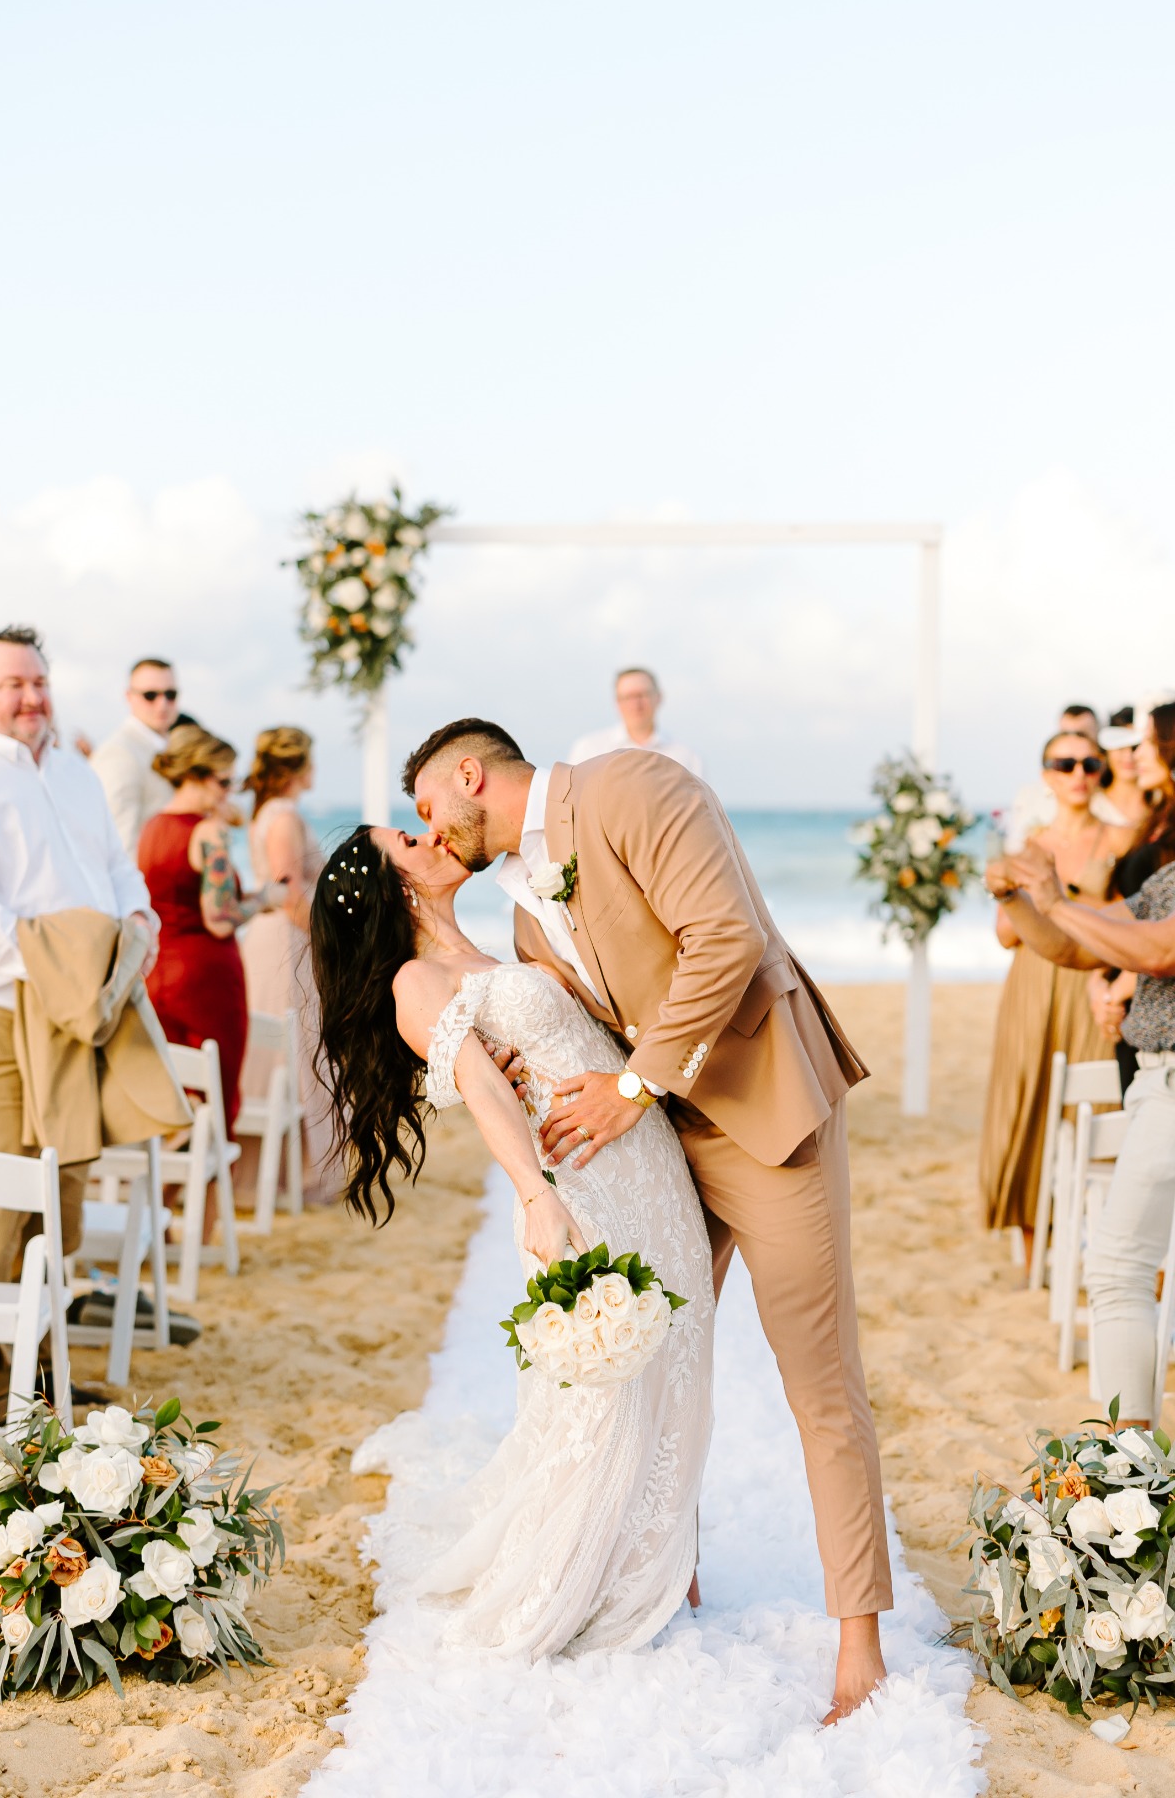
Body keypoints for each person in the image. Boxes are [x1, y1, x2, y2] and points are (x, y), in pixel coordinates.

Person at [393, 719, 890, 1721]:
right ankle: (672, 1567)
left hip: (767, 1114)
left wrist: (628, 1086)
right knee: (656, 1356)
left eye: (427, 811)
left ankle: (861, 1642)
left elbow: (727, 940)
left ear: (469, 774)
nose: (431, 832)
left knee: (819, 1382)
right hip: (661, 1152)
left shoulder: (634, 788)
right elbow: (594, 1013)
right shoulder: (526, 910)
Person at [311, 819, 715, 1663]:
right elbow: (486, 1093)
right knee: (607, 1377)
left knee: (679, 1352)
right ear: (398, 889)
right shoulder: (415, 982)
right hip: (580, 1175)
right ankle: (590, 1571)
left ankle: (669, 1551)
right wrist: (536, 1196)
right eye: (409, 843)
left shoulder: (490, 948)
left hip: (646, 1157)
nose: (432, 839)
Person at [0, 627, 161, 1419]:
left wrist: (137, 915)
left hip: (86, 1012)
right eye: (13, 683)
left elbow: (113, 865)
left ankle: (38, 1368)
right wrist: (60, 957)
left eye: (40, 681)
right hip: (2, 1006)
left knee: (62, 1190)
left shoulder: (77, 771)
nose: (32, 697)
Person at [989, 833, 1175, 1428]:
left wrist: (1057, 900)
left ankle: (1132, 1474)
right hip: (1156, 1084)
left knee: (1118, 1266)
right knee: (1120, 1267)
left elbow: (1156, 953)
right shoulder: (1167, 879)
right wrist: (1018, 899)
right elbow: (1079, 949)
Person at [981, 731, 1134, 1251]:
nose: (1078, 774)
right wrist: (1019, 893)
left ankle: (1091, 1238)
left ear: (1100, 771)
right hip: (1032, 983)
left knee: (1090, 1105)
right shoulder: (1031, 844)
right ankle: (1032, 1237)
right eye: (1064, 764)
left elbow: (1130, 926)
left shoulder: (1122, 840)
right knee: (1028, 1096)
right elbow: (1005, 934)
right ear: (1046, 774)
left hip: (1087, 980)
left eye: (1089, 763)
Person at [139, 726, 283, 1137]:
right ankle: (208, 1201)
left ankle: (168, 1197)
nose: (229, 793)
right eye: (223, 782)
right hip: (206, 980)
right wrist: (267, 897)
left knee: (176, 1103)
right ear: (196, 776)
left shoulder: (152, 827)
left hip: (158, 975)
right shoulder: (208, 831)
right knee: (217, 1104)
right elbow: (220, 918)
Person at [239, 727, 332, 1199]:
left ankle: (289, 1170)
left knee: (292, 1046)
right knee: (289, 1047)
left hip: (277, 936)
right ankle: (285, 1175)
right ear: (299, 766)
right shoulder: (283, 818)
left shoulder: (271, 813)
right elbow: (289, 889)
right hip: (287, 941)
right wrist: (331, 938)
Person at [1089, 702, 1175, 1092]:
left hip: (1149, 995)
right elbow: (1131, 907)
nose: (1134, 755)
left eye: (1145, 744)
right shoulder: (1157, 818)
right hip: (1133, 994)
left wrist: (1117, 989)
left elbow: (1164, 929)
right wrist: (1097, 981)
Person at [90, 657, 181, 856]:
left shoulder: (167, 746)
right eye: (150, 695)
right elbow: (121, 846)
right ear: (129, 696)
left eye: (170, 694)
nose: (162, 704)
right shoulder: (119, 754)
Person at [569, 667, 702, 774]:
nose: (636, 704)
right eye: (628, 697)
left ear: (659, 697)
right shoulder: (588, 749)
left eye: (642, 695)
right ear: (617, 703)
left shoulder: (687, 756)